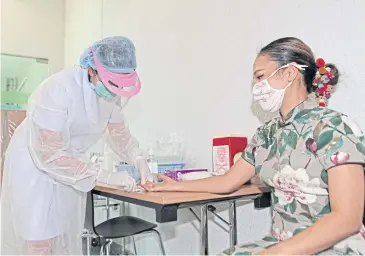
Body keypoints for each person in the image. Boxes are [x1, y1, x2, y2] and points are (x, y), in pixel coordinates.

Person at [143, 37, 365, 255]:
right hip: (281, 242)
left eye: (261, 77)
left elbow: (347, 219)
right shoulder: (266, 134)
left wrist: (277, 253)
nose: (257, 87)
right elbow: (228, 181)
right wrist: (172, 186)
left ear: (290, 73)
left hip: (334, 247)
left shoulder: (333, 127)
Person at [1, 36, 153, 255]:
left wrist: (138, 159)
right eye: (111, 83)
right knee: (39, 238)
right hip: (34, 164)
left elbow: (120, 135)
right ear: (92, 69)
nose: (114, 92)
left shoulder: (110, 94)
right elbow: (49, 154)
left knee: (64, 235)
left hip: (70, 167)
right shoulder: (58, 89)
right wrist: (108, 177)